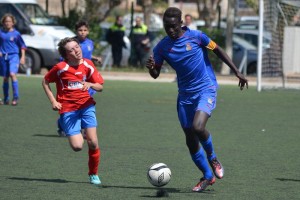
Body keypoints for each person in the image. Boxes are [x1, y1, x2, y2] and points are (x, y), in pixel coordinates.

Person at [146, 7, 248, 192]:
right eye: (167, 26)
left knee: (198, 127)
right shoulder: (161, 47)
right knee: (190, 139)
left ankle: (213, 157)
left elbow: (218, 50)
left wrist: (237, 71)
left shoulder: (197, 36)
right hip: (185, 95)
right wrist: (152, 67)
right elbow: (155, 74)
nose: (170, 30)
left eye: (174, 26)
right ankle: (207, 176)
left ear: (181, 24)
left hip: (205, 88)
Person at [42, 37, 104, 185]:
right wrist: (53, 101)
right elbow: (45, 81)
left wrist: (90, 84)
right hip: (68, 110)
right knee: (77, 147)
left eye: (77, 47)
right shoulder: (60, 68)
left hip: (86, 106)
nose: (77, 50)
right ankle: (73, 127)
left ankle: (93, 174)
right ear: (66, 55)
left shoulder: (88, 64)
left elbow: (100, 87)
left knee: (93, 142)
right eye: (72, 49)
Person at [0, 13, 26, 106]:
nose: (7, 23)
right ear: (3, 23)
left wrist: (22, 57)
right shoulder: (1, 33)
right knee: (5, 78)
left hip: (14, 56)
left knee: (12, 74)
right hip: (4, 57)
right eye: (6, 21)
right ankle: (6, 98)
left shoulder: (16, 34)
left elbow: (22, 46)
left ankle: (15, 98)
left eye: (9, 21)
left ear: (13, 23)